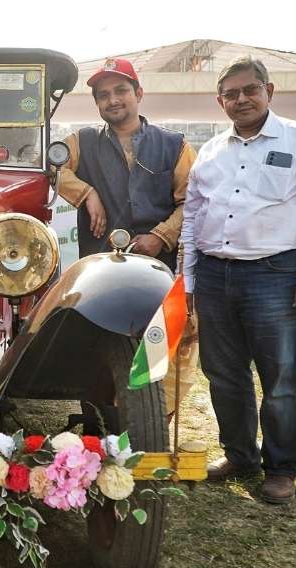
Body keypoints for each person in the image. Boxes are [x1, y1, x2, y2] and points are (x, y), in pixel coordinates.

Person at [182, 57, 296, 504]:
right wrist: (189, 280)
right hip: (215, 276)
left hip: (275, 274)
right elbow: (193, 217)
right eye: (231, 94)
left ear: (268, 91)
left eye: (249, 90)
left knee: (281, 378)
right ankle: (240, 455)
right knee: (223, 374)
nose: (241, 99)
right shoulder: (212, 151)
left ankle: (281, 468)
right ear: (220, 101)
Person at [58, 57, 199, 416]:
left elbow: (194, 201)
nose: (112, 100)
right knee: (95, 348)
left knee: (156, 349)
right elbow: (50, 167)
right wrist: (86, 192)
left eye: (121, 90)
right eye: (103, 95)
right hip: (98, 274)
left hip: (157, 269)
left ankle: (150, 431)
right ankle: (97, 437)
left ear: (138, 92)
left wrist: (160, 235)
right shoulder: (81, 141)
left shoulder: (175, 145)